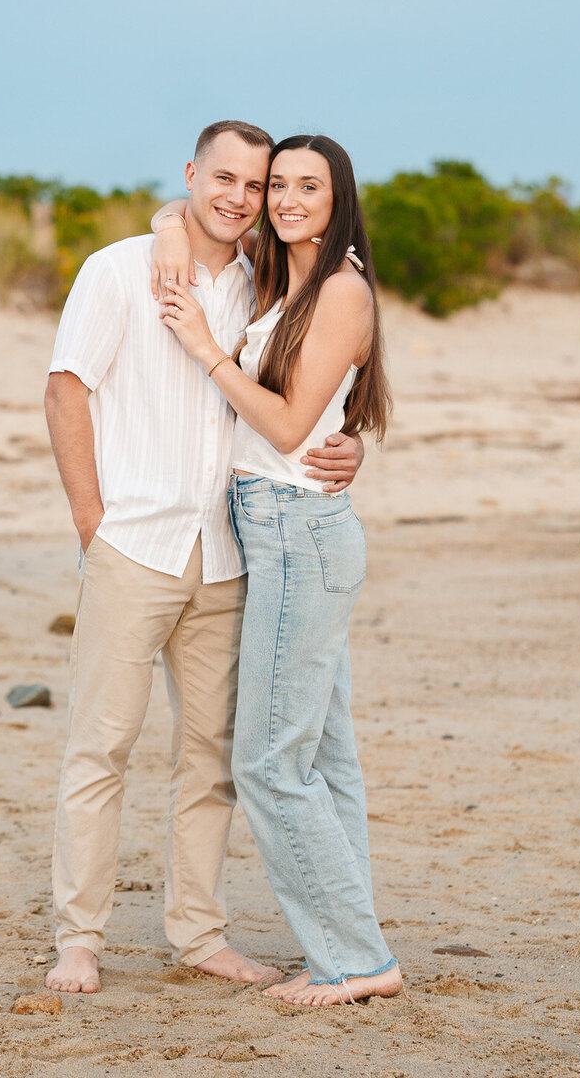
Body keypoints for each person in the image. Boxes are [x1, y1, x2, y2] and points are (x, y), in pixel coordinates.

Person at [42, 121, 365, 995]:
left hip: (228, 551)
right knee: (100, 747)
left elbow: (306, 394)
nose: (240, 197)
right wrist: (90, 522)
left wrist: (348, 447)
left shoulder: (268, 283)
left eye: (257, 187)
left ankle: (199, 933)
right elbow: (66, 387)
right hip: (132, 546)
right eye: (223, 178)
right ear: (191, 173)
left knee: (210, 757)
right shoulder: (121, 269)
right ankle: (80, 937)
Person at [155, 133, 401, 1006]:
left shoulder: (338, 288)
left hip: (297, 531)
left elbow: (292, 427)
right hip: (282, 528)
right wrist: (170, 233)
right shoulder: (283, 271)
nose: (289, 200)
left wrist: (208, 353)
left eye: (309, 187)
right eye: (278, 185)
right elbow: (170, 214)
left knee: (267, 760)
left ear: (340, 201)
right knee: (325, 759)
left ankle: (357, 960)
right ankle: (352, 944)